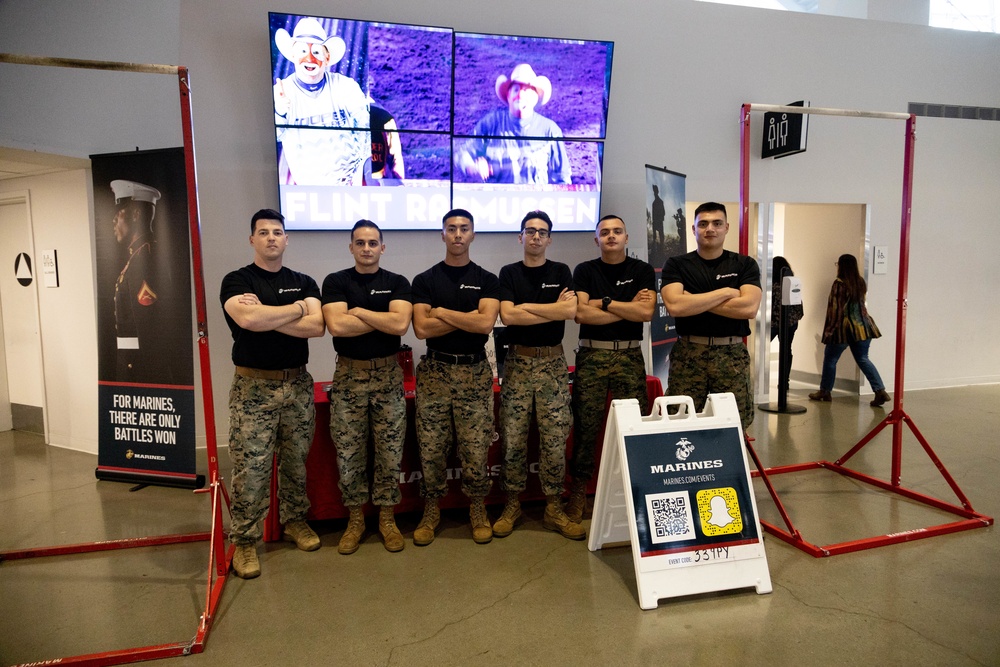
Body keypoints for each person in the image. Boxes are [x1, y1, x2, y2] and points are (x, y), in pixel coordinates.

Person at [220, 209, 325, 579]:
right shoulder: (236, 281)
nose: (270, 238)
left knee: (296, 461)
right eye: (262, 232)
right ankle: (245, 542)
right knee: (252, 469)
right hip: (254, 388)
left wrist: (270, 315)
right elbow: (247, 320)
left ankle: (295, 521)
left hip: (296, 385)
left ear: (286, 239)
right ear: (252, 239)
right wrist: (295, 310)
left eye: (277, 232)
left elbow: (317, 327)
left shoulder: (304, 280)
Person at [321, 220, 412, 555]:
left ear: (382, 247)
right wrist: (378, 317)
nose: (367, 248)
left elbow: (400, 323)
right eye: (360, 243)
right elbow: (337, 326)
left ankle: (387, 519)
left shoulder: (398, 283)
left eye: (373, 243)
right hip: (348, 377)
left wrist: (358, 311)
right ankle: (356, 519)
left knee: (389, 453)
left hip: (388, 376)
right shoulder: (336, 282)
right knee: (349, 454)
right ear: (351, 248)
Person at [494, 211, 585, 540]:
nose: (535, 237)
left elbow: (570, 312)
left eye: (542, 232)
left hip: (552, 366)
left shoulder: (561, 271)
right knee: (513, 439)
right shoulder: (509, 273)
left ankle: (553, 508)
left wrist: (527, 308)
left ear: (549, 239)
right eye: (529, 231)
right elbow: (507, 316)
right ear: (520, 237)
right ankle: (512, 504)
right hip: (518, 365)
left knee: (554, 441)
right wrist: (549, 308)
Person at [411, 209, 501, 545]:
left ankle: (477, 507)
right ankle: (431, 508)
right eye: (452, 229)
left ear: (473, 234)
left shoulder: (488, 279)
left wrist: (443, 313)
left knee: (476, 448)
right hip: (436, 371)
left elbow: (484, 324)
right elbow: (421, 329)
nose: (458, 234)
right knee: (432, 447)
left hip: (475, 372)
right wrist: (468, 316)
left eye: (464, 229)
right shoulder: (425, 280)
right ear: (443, 235)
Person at [568, 215, 657, 523]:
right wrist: (624, 305)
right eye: (604, 232)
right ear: (597, 240)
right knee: (586, 428)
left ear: (626, 237)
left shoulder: (642, 271)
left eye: (617, 231)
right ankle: (579, 492)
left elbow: (645, 313)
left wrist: (603, 302)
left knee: (634, 427)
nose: (611, 236)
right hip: (592, 356)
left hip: (630, 359)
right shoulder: (585, 270)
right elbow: (580, 314)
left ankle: (636, 492)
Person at [660, 202, 762, 430]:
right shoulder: (677, 265)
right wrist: (726, 293)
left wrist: (693, 299)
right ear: (694, 229)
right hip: (688, 355)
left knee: (732, 423)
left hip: (731, 356)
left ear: (726, 227)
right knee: (680, 421)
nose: (710, 229)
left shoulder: (744, 264)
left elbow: (748, 308)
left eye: (717, 223)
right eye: (703, 224)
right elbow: (675, 305)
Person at [273, 16, 370, 185]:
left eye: (316, 52)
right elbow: (275, 136)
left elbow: (367, 132)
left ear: (327, 57)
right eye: (303, 51)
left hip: (352, 190)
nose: (309, 59)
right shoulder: (282, 91)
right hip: (309, 195)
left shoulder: (346, 86)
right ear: (293, 55)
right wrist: (279, 111)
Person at [455, 64, 571, 185]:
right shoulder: (490, 124)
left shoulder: (550, 130)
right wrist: (473, 167)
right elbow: (462, 154)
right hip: (497, 200)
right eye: (516, 89)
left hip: (536, 202)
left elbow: (562, 178)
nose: (520, 94)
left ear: (535, 97)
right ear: (508, 95)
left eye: (526, 90)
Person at [109, 179, 171, 383]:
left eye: (119, 213)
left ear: (135, 214)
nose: (113, 220)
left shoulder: (146, 258)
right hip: (132, 364)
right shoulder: (135, 256)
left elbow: (150, 328)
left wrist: (143, 376)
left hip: (141, 369)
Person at [808, 254, 890, 407]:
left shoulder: (839, 283)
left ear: (841, 266)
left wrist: (829, 331)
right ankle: (880, 390)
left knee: (830, 360)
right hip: (863, 327)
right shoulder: (859, 282)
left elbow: (835, 310)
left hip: (844, 329)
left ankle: (825, 391)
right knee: (863, 359)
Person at [770, 256, 803, 394]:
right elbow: (799, 307)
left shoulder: (770, 286)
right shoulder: (791, 284)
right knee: (787, 351)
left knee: (761, 350)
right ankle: (785, 381)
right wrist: (794, 319)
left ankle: (758, 378)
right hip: (789, 323)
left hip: (771, 324)